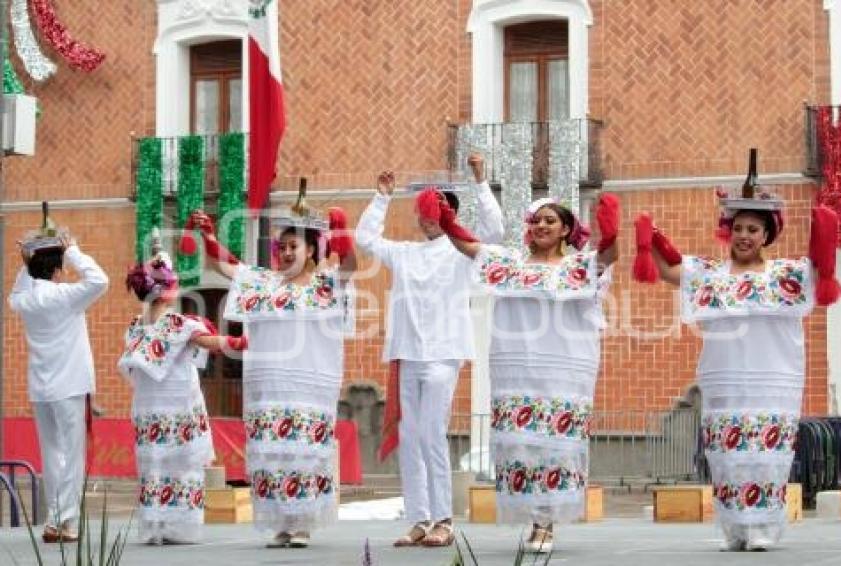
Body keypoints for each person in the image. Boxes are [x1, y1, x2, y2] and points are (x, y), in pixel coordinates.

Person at [632, 187, 841, 551]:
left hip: (771, 380)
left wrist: (823, 227)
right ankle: (734, 527)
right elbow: (668, 269)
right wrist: (647, 237)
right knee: (728, 456)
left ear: (766, 236)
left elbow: (823, 266)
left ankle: (761, 525)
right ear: (728, 231)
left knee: (765, 455)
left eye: (753, 230)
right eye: (739, 228)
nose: (744, 236)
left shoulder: (787, 276)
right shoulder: (710, 275)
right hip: (724, 379)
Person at [438, 191, 620, 552]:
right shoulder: (509, 265)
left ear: (566, 229)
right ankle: (536, 516)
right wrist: (444, 220)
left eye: (550, 220)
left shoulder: (579, 267)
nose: (541, 226)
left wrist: (611, 231)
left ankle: (545, 522)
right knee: (523, 447)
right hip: (517, 369)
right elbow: (468, 247)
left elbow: (609, 256)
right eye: (536, 221)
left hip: (564, 369)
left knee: (553, 448)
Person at [182, 202, 356, 548]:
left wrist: (340, 232)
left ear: (310, 251)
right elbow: (226, 265)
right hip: (269, 386)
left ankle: (303, 523)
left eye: (295, 246)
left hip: (308, 385)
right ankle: (280, 523)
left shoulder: (326, 285)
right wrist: (208, 236)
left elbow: (350, 265)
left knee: (303, 453)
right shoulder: (262, 282)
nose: (287, 252)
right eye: (283, 246)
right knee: (272, 454)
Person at [354, 154, 504, 547]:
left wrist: (480, 181)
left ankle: (444, 519)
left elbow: (495, 230)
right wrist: (381, 198)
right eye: (425, 211)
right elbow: (365, 241)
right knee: (409, 435)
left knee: (432, 435)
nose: (429, 218)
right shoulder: (405, 252)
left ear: (449, 213)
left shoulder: (462, 252)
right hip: (407, 354)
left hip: (443, 354)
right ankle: (419, 517)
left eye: (439, 210)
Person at [118, 249, 247, 544]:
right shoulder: (178, 324)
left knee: (154, 468)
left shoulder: (135, 329)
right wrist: (246, 341)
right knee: (182, 468)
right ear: (167, 291)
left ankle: (155, 528)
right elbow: (210, 342)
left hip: (149, 410)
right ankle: (179, 528)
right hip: (177, 408)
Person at [9, 232, 109, 542]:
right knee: (72, 455)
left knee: (52, 455)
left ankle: (58, 521)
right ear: (57, 270)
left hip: (41, 387)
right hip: (70, 385)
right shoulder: (65, 295)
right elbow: (99, 280)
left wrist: (28, 259)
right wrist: (74, 250)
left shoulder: (24, 300)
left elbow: (17, 290)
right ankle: (64, 521)